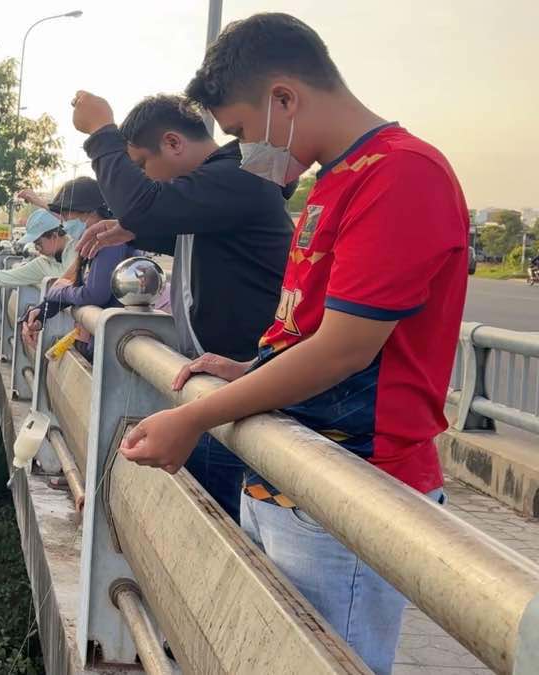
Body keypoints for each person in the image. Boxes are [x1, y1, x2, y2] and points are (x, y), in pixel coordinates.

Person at [118, 13, 469, 675]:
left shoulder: (401, 175)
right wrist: (254, 365)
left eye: (244, 131)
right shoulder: (332, 179)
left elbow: (344, 351)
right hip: (291, 471)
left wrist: (194, 415)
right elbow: (313, 330)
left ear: (284, 99)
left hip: (353, 488)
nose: (246, 149)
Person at [69, 92, 294, 522]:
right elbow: (181, 232)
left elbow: (143, 205)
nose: (142, 179)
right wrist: (133, 229)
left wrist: (102, 132)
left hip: (247, 395)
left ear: (173, 144)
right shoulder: (219, 192)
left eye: (140, 166)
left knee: (224, 534)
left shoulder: (236, 177)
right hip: (226, 390)